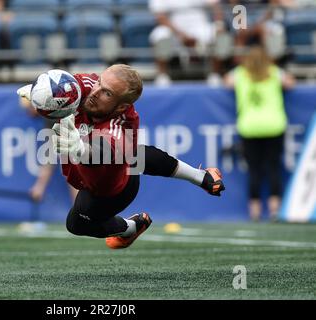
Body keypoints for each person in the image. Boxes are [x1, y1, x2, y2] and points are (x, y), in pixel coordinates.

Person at [17, 64, 225, 249]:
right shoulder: (90, 87)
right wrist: (42, 93)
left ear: (121, 106)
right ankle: (201, 177)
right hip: (94, 170)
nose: (95, 92)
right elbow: (66, 85)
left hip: (113, 189)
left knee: (76, 223)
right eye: (99, 82)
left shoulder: (122, 124)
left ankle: (130, 227)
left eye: (106, 93)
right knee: (137, 155)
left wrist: (79, 149)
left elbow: (102, 151)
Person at [224, 46, 295, 221]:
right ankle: (274, 210)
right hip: (273, 126)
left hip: (250, 127)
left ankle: (254, 211)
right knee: (273, 169)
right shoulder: (274, 72)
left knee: (254, 170)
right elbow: (290, 82)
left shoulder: (240, 74)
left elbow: (226, 81)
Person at [148, 0, 225, 86]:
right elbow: (160, 17)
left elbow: (216, 5)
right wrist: (181, 35)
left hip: (201, 28)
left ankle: (215, 75)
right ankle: (162, 76)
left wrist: (219, 24)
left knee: (221, 35)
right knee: (160, 35)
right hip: (173, 30)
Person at [19, 95, 79, 203]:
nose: (28, 112)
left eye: (29, 108)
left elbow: (50, 155)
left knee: (73, 172)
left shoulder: (53, 114)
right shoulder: (54, 110)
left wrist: (39, 186)